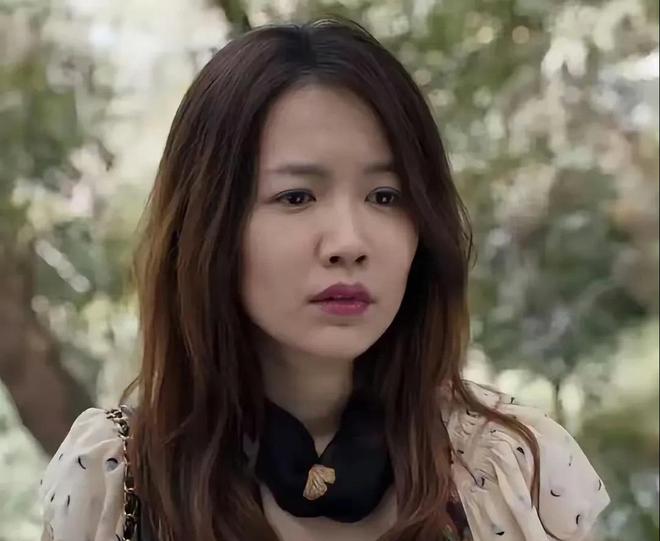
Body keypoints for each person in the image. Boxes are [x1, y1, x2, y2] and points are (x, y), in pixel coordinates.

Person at [38, 17, 610, 541]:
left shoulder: (512, 470)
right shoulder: (117, 480)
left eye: (385, 196)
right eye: (296, 196)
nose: (348, 243)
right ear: (208, 226)